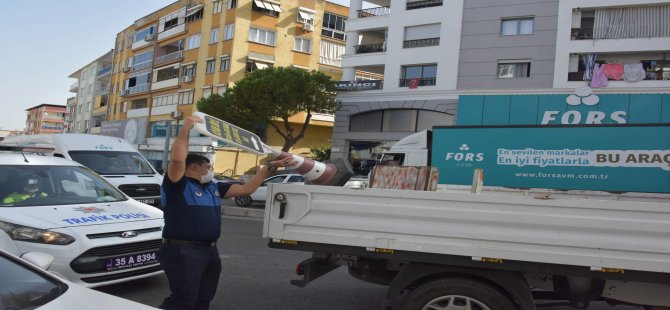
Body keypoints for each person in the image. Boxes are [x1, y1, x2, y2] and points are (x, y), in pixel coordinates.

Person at [158, 115, 294, 310]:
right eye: (208, 167)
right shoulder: (177, 185)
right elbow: (178, 160)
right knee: (183, 301)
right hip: (183, 251)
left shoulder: (214, 186)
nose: (211, 170)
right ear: (194, 167)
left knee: (202, 299)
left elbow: (246, 189)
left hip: (209, 251)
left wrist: (268, 167)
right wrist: (186, 129)